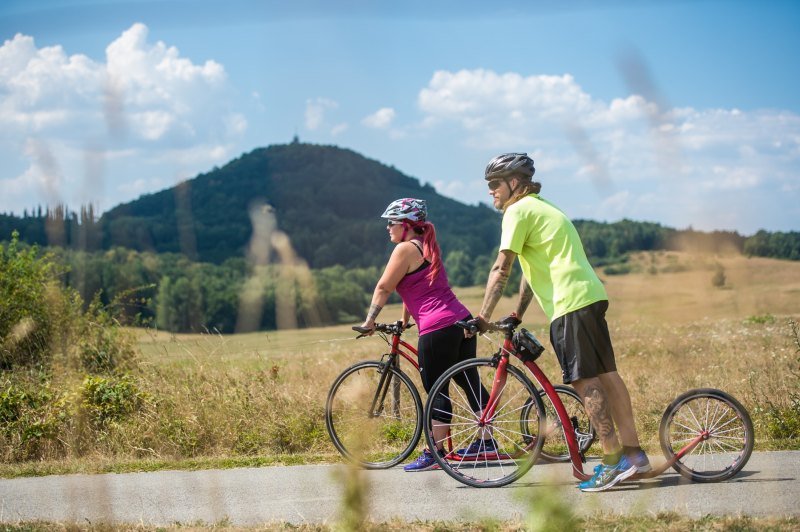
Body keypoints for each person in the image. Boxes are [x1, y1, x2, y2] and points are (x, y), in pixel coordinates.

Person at [470, 152, 650, 492]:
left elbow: (502, 268)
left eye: (494, 184)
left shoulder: (516, 211)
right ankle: (635, 455)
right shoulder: (544, 208)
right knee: (609, 377)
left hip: (568, 305)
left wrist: (483, 317)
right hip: (591, 296)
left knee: (583, 381)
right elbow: (530, 270)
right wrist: (519, 312)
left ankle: (612, 463)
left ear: (513, 183)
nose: (491, 191)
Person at [359, 198, 489, 471]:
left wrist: (370, 320)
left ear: (406, 226)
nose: (387, 228)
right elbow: (417, 289)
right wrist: (405, 320)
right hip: (460, 320)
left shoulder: (404, 249)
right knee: (469, 382)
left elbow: (384, 287)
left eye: (391, 222)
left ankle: (435, 453)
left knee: (436, 388)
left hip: (437, 327)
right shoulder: (426, 246)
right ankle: (486, 443)